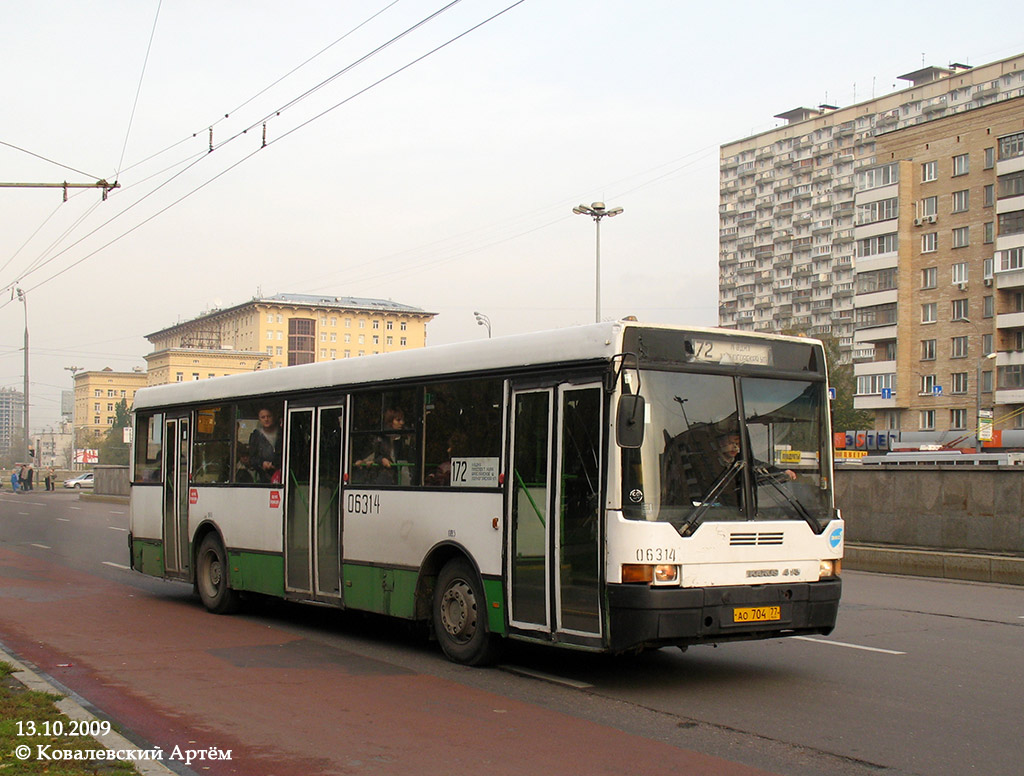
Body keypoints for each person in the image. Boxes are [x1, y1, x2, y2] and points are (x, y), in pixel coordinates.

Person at [355, 408, 411, 485]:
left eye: (402, 420)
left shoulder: (404, 439)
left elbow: (406, 458)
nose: (402, 423)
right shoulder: (381, 438)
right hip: (383, 477)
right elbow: (376, 455)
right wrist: (380, 460)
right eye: (398, 420)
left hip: (401, 477)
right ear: (390, 422)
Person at [248, 407, 282, 483]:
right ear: (259, 420)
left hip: (283, 474)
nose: (266, 419)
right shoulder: (256, 436)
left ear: (273, 417)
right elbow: (252, 458)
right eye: (263, 417)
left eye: (269, 416)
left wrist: (277, 464)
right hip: (264, 477)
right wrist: (262, 463)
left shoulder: (283, 433)